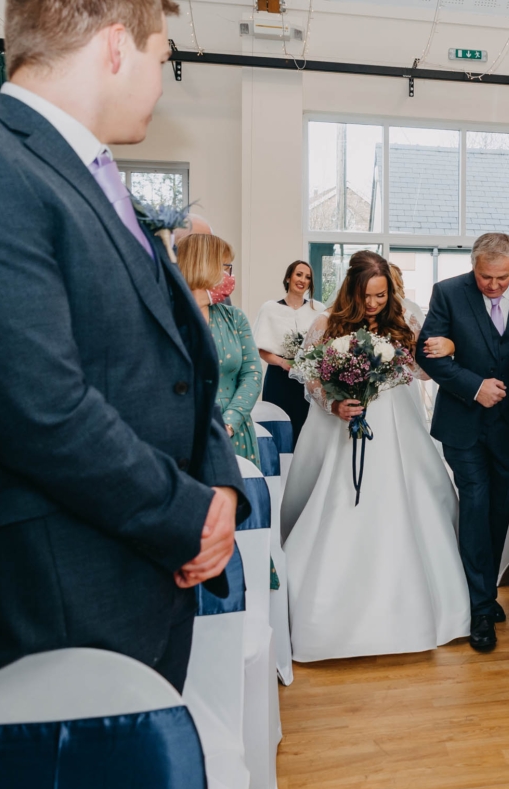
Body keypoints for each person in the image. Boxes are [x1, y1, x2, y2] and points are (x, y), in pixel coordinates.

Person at [0, 0, 246, 701]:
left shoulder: (96, 174)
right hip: (51, 605)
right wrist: (189, 516)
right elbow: (43, 411)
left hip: (136, 584)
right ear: (117, 48)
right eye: (163, 59)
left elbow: (183, 363)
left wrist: (221, 488)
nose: (163, 80)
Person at [279, 251, 470, 660]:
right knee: (340, 504)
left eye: (381, 296)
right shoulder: (327, 324)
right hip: (343, 426)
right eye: (367, 296)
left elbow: (422, 370)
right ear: (351, 290)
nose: (373, 304)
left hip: (397, 426)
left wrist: (446, 346)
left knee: (408, 503)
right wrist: (333, 404)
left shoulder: (404, 322)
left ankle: (416, 611)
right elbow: (309, 377)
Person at [416, 233, 509, 652]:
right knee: (475, 501)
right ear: (473, 265)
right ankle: (480, 607)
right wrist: (474, 386)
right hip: (464, 424)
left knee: (499, 509)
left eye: (503, 277)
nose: (494, 285)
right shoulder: (448, 293)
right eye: (485, 277)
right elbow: (428, 355)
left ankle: (482, 590)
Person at [179, 234, 263, 468]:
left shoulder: (235, 318)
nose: (228, 274)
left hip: (234, 430)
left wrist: (229, 422)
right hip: (185, 431)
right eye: (224, 267)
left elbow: (252, 374)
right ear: (202, 266)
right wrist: (199, 300)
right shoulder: (169, 318)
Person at [254, 259, 324, 442]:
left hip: (307, 379)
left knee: (304, 431)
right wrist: (282, 362)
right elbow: (260, 348)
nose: (302, 279)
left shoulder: (318, 310)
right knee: (278, 428)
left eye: (307, 277)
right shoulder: (270, 308)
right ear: (288, 278)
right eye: (298, 274)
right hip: (278, 377)